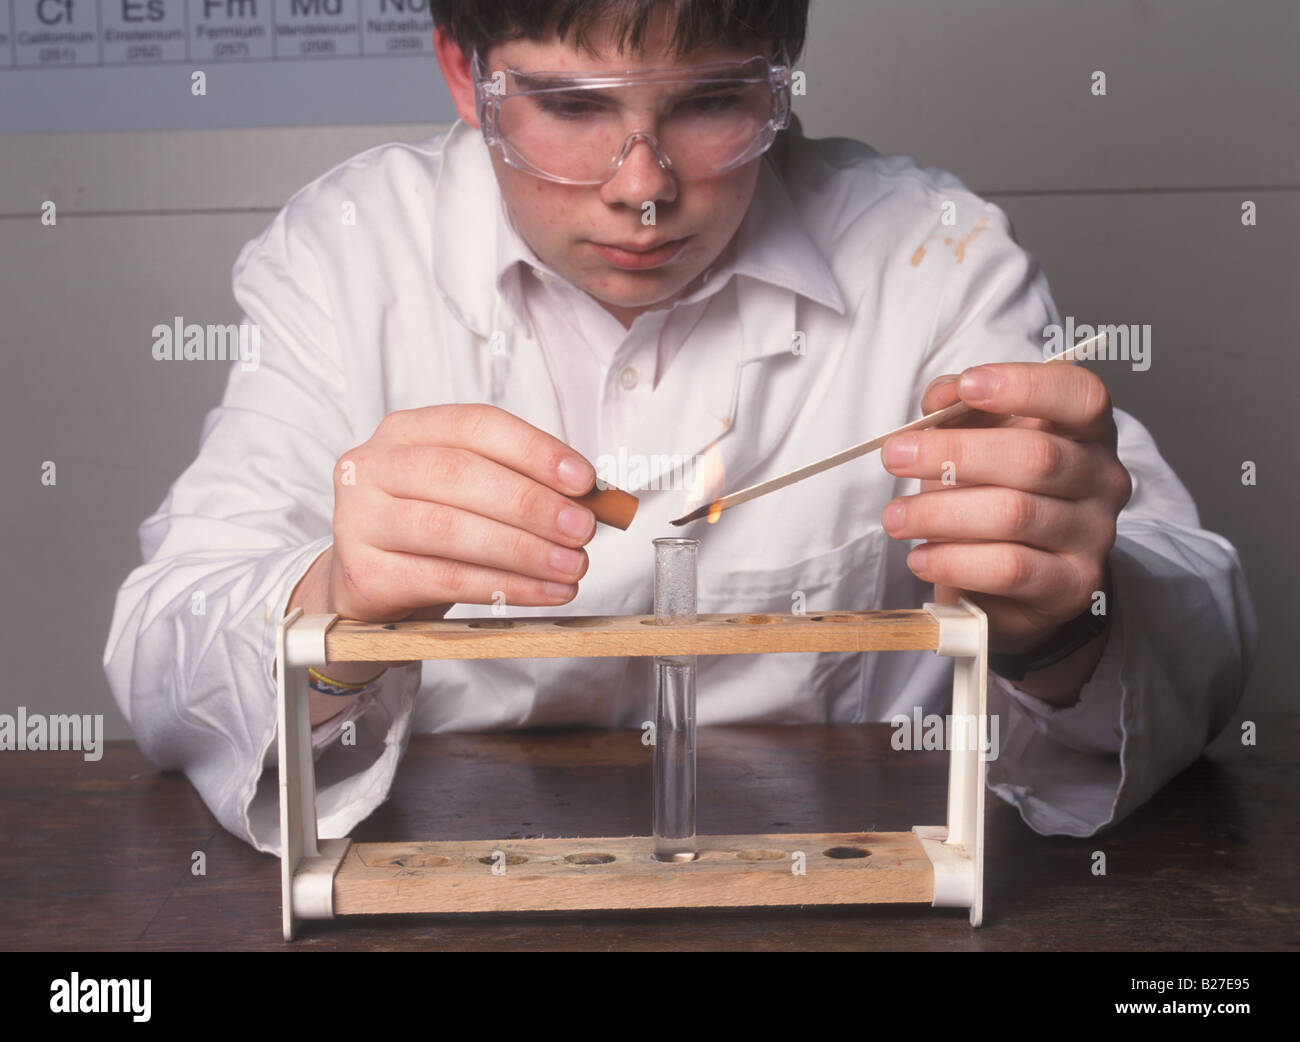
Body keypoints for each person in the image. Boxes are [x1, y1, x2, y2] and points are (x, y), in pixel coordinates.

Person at [103, 0, 1256, 854]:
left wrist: (1066, 624)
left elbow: (1205, 654)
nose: (642, 186)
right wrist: (329, 606)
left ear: (782, 78)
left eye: (711, 103)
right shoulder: (351, 253)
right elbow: (158, 658)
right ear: (464, 74)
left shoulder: (932, 256)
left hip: (838, 903)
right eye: (568, 107)